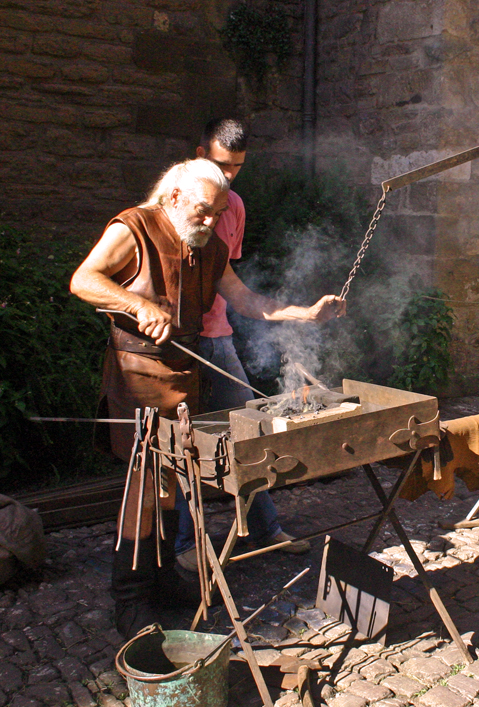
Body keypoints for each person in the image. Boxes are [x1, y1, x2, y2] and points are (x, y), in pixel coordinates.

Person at [69, 158, 345, 639]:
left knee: (174, 483)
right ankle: (130, 600)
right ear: (175, 196)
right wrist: (137, 305)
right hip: (137, 377)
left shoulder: (210, 247)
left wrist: (306, 314)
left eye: (218, 213)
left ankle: (162, 581)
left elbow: (246, 301)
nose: (212, 220)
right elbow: (84, 280)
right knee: (145, 489)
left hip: (184, 379)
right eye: (204, 210)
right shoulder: (133, 227)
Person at [171, 118, 307, 574]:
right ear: (199, 155)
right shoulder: (170, 202)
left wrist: (304, 313)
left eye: (237, 168)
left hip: (219, 337)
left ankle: (266, 529)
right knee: (185, 446)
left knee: (248, 437)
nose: (229, 176)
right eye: (221, 165)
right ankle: (185, 544)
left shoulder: (236, 207)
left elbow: (234, 288)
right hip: (177, 348)